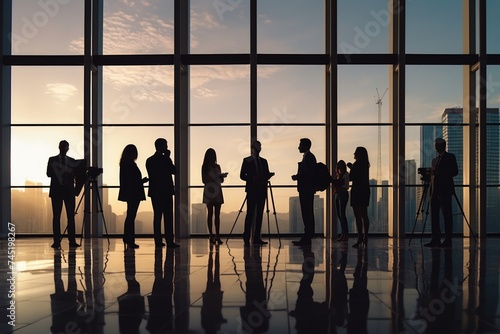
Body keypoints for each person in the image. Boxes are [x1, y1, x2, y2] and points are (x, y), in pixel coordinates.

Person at [425, 138, 458, 248]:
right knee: (434, 217)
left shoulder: (450, 157)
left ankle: (448, 240)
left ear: (443, 146)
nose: (435, 147)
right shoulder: (434, 160)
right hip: (434, 192)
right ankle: (436, 239)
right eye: (435, 145)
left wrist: (440, 172)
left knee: (447, 216)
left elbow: (455, 171)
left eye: (437, 145)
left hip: (445, 191)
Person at [46, 140, 80, 249]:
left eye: (65, 148)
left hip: (68, 192)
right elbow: (48, 174)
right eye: (63, 147)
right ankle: (57, 241)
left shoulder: (72, 161)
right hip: (58, 192)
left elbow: (76, 176)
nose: (64, 149)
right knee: (57, 217)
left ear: (67, 149)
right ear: (59, 148)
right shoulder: (52, 160)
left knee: (70, 217)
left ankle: (72, 241)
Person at [146, 138, 179, 248]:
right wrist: (168, 157)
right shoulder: (166, 159)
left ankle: (158, 241)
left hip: (155, 192)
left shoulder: (149, 160)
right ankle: (169, 240)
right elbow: (174, 171)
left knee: (157, 216)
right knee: (168, 216)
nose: (167, 147)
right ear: (161, 146)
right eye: (166, 145)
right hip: (166, 191)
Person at [240, 140, 274, 246]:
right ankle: (247, 236)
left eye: (260, 147)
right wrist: (253, 178)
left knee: (259, 214)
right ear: (253, 148)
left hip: (261, 190)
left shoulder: (264, 161)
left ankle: (256, 237)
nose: (259, 149)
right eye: (258, 147)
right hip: (252, 190)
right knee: (250, 213)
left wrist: (268, 175)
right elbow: (242, 175)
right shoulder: (247, 160)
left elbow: (265, 173)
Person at [118, 144, 148, 249]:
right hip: (134, 193)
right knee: (131, 216)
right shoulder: (130, 165)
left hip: (130, 193)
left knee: (130, 216)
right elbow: (133, 181)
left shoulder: (124, 164)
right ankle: (130, 239)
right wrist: (142, 181)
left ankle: (127, 237)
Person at [291, 138, 317, 246]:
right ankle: (307, 236)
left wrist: (297, 177)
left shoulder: (309, 157)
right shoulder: (308, 157)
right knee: (307, 212)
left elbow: (308, 174)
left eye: (300, 145)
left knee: (306, 212)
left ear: (306, 146)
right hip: (307, 189)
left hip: (306, 189)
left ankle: (307, 236)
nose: (298, 147)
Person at [202, 148, 228, 244]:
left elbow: (221, 181)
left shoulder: (217, 166)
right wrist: (216, 177)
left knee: (217, 215)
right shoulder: (205, 167)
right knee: (210, 214)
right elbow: (204, 180)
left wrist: (221, 177)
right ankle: (211, 235)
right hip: (210, 191)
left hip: (216, 190)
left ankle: (217, 235)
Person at [347, 146, 370, 248]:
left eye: (355, 152)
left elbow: (352, 177)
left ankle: (360, 237)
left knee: (357, 215)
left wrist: (351, 168)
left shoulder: (356, 165)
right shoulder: (365, 165)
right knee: (364, 214)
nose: (353, 154)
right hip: (364, 190)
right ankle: (365, 236)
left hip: (357, 191)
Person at [333, 160, 350, 242]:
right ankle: (343, 234)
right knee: (340, 215)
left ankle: (345, 234)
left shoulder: (346, 174)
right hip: (338, 195)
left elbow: (347, 186)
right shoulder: (338, 174)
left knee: (342, 214)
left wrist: (339, 187)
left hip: (342, 194)